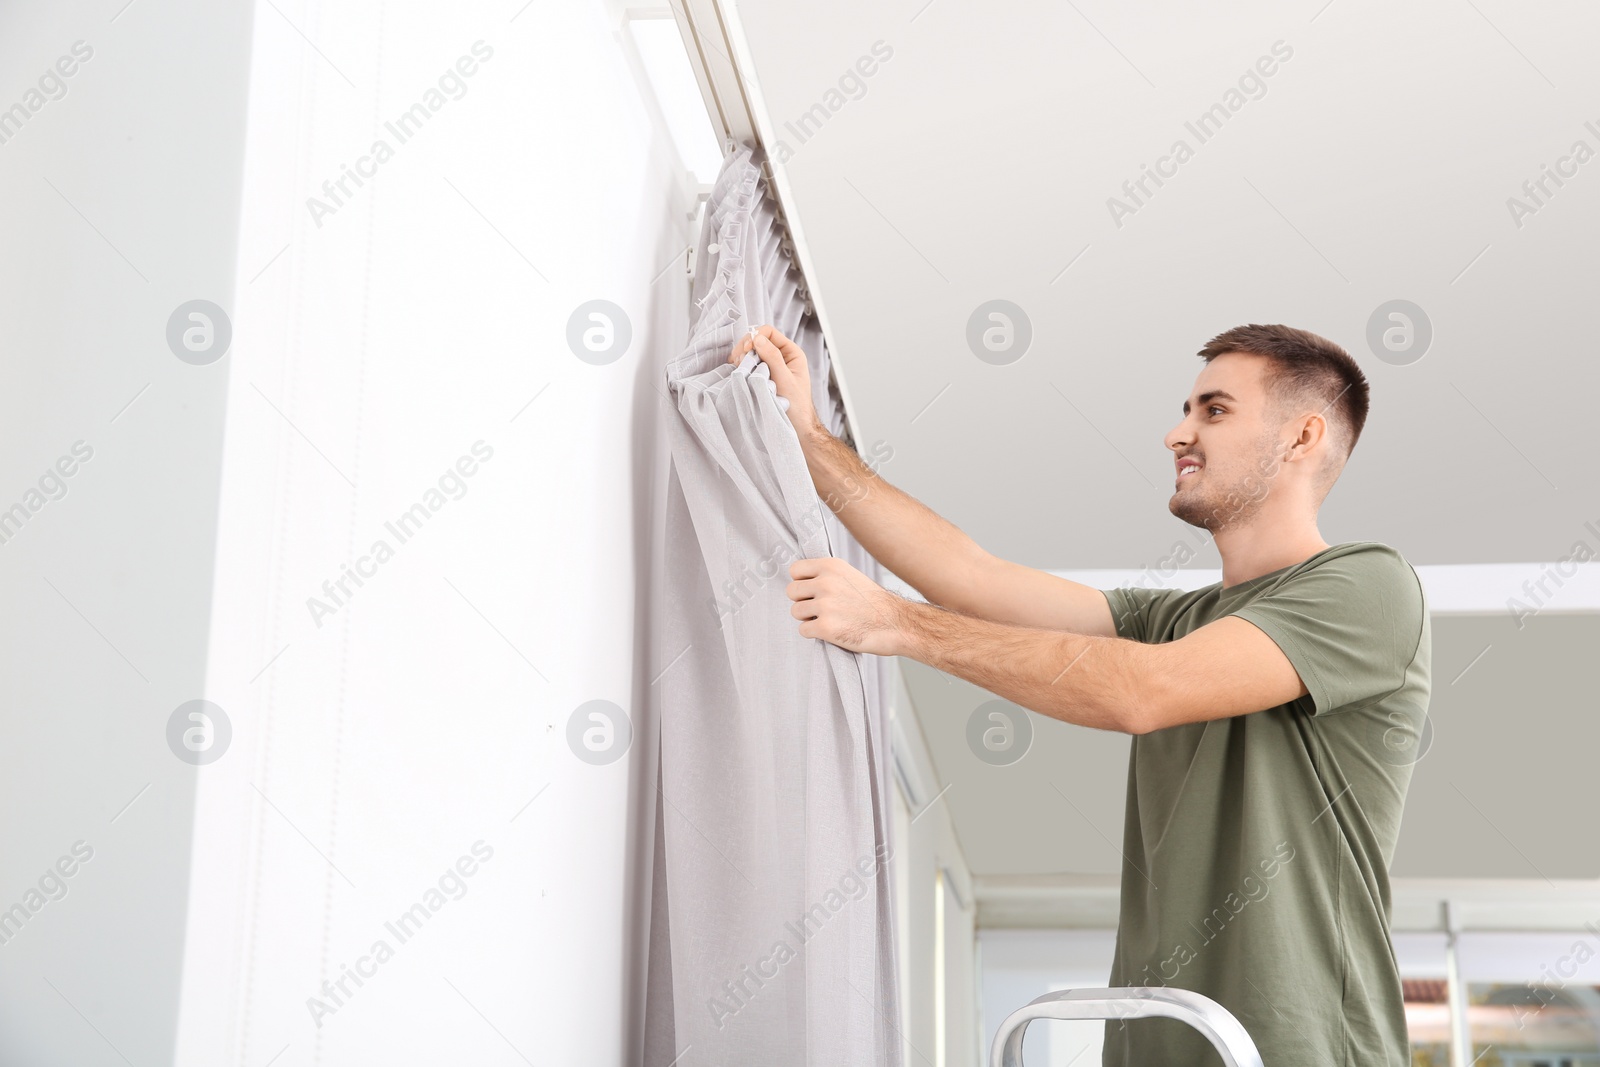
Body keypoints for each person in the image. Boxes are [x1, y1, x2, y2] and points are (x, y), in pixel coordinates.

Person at [729, 321, 1431, 1067]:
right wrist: (807, 436)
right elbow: (971, 576)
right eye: (1187, 410)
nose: (1176, 432)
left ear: (1302, 437)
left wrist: (896, 623)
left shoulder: (1369, 585)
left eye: (1213, 410)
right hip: (1157, 1043)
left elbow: (1142, 691)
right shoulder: (1173, 619)